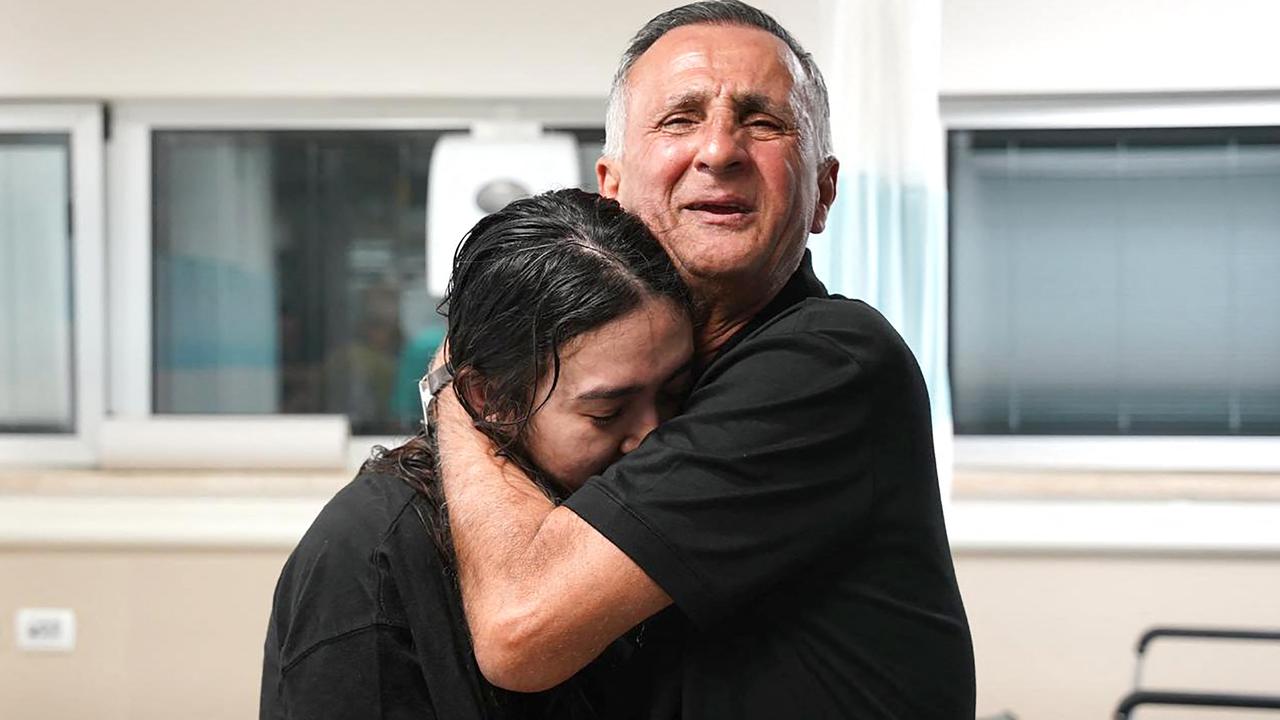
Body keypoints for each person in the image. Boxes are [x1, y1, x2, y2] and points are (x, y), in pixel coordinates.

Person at [432, 2, 977, 718]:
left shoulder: (829, 362)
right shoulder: (655, 384)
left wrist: (455, 390)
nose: (719, 150)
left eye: (763, 121)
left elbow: (520, 631)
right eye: (680, 118)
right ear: (611, 186)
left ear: (823, 192)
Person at [260, 189, 695, 719]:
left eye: (675, 393)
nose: (652, 436)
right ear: (490, 399)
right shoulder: (370, 558)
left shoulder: (640, 505)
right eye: (606, 413)